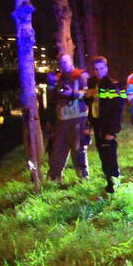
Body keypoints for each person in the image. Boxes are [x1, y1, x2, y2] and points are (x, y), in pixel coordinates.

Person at [86, 55, 127, 193]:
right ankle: (109, 182)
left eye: (101, 68)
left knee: (110, 155)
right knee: (103, 156)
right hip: (97, 124)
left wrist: (112, 131)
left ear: (106, 68)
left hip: (108, 126)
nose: (99, 72)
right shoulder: (92, 83)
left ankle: (114, 184)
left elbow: (118, 109)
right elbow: (93, 105)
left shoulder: (113, 84)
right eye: (96, 69)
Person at [48, 54, 89, 182]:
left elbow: (88, 93)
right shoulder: (58, 77)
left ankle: (83, 176)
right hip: (63, 118)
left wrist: (72, 94)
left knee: (78, 148)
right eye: (62, 62)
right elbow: (53, 97)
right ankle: (55, 177)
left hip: (78, 117)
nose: (64, 64)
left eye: (66, 61)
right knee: (59, 147)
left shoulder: (81, 75)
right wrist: (52, 85)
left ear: (71, 61)